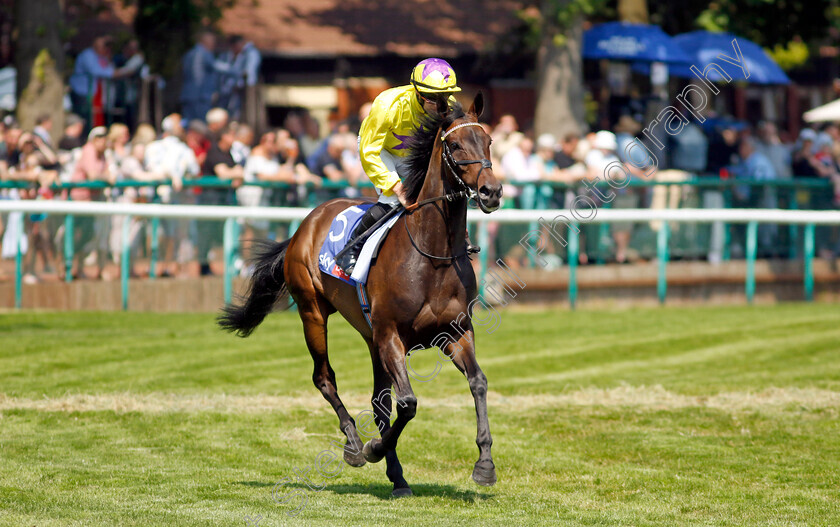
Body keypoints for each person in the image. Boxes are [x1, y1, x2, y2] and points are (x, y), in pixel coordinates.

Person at [336, 58, 474, 274]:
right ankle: (351, 248)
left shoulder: (450, 107)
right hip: (381, 150)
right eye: (431, 97)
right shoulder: (387, 105)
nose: (438, 103)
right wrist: (394, 184)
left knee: (433, 196)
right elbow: (369, 150)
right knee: (393, 199)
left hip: (412, 154)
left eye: (444, 96)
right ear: (417, 91)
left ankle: (456, 240)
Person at [180, 32, 229, 123]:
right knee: (201, 124)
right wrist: (235, 70)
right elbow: (217, 66)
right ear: (207, 42)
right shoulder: (204, 53)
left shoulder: (189, 53)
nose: (213, 46)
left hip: (187, 94)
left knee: (188, 123)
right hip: (201, 96)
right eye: (213, 43)